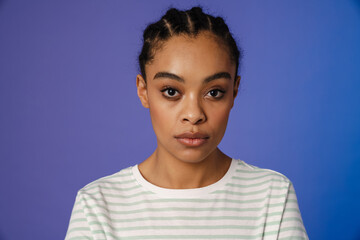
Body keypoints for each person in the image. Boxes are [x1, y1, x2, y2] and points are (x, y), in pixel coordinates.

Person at [65, 7, 308, 240]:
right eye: (171, 91)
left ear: (234, 91)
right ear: (144, 91)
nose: (193, 115)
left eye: (214, 92)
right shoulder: (97, 205)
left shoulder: (272, 197)